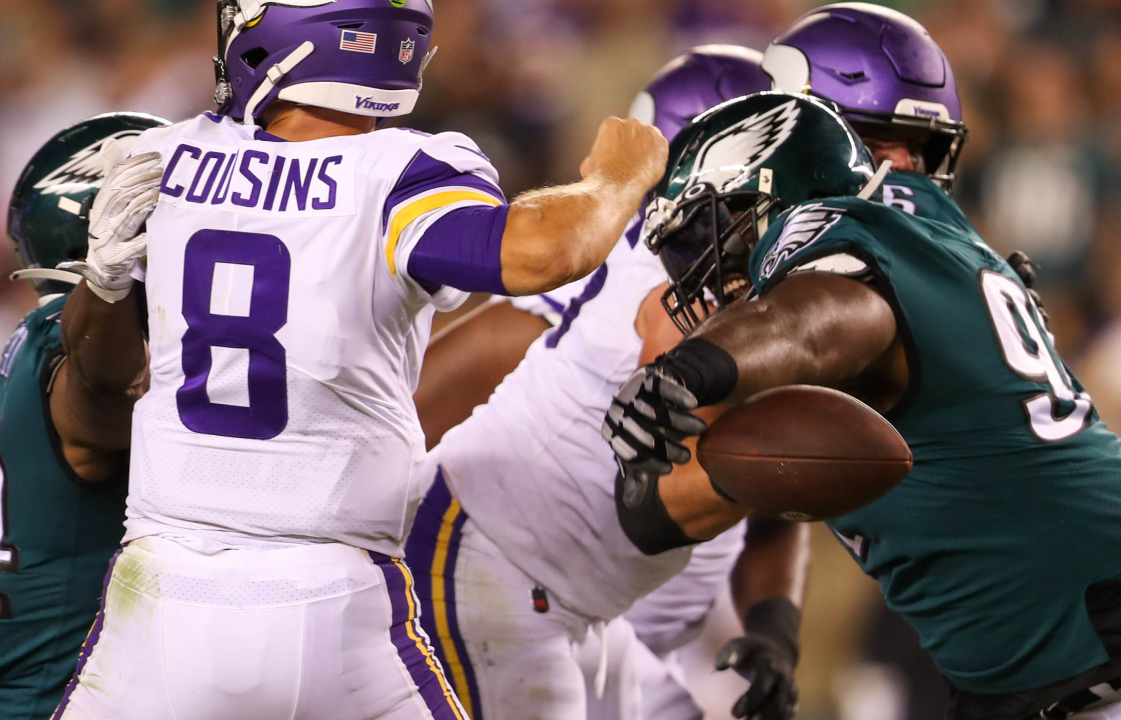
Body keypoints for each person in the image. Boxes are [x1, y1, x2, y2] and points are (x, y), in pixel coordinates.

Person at [603, 6, 1121, 720]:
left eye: (909, 151)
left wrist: (692, 370)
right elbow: (686, 502)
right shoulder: (923, 248)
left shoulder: (847, 234)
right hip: (1037, 684)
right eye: (890, 146)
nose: (901, 170)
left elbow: (825, 319)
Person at [52, 1, 666, 718]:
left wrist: (101, 282)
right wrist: (619, 177)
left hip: (160, 594)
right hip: (332, 602)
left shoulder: (165, 157)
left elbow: (98, 374)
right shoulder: (398, 172)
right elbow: (546, 251)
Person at [408, 46, 808, 720]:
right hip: (498, 584)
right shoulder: (588, 309)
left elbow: (765, 495)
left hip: (598, 618)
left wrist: (774, 629)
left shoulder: (746, 299)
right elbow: (388, 444)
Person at [0, 112, 167, 720]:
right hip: (55, 701)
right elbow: (103, 383)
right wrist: (109, 284)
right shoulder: (60, 350)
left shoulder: (23, 344)